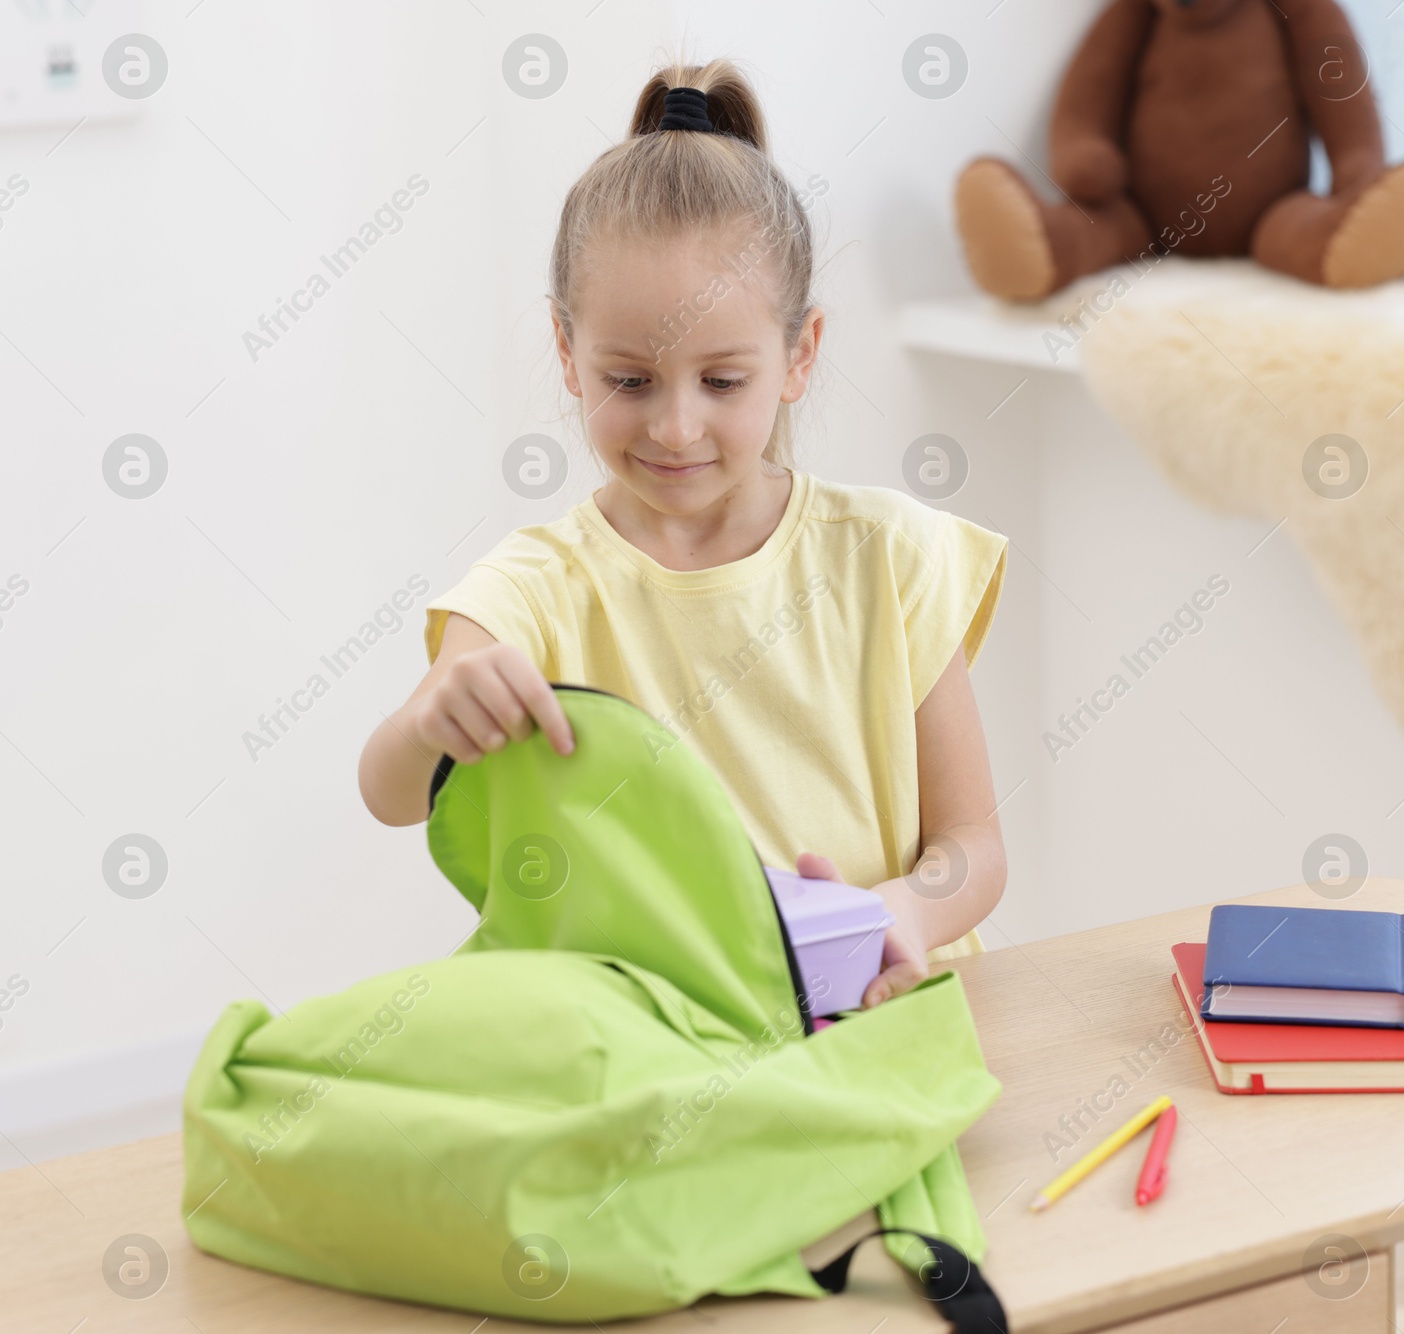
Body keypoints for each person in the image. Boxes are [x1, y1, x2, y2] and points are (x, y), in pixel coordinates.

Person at [359, 60, 1009, 1008]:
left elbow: (974, 849)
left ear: (800, 355)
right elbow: (392, 792)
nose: (673, 426)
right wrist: (429, 721)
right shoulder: (533, 590)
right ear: (567, 355)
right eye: (629, 379)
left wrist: (904, 911)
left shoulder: (893, 556)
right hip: (659, 1048)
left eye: (721, 381)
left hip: (877, 1023)